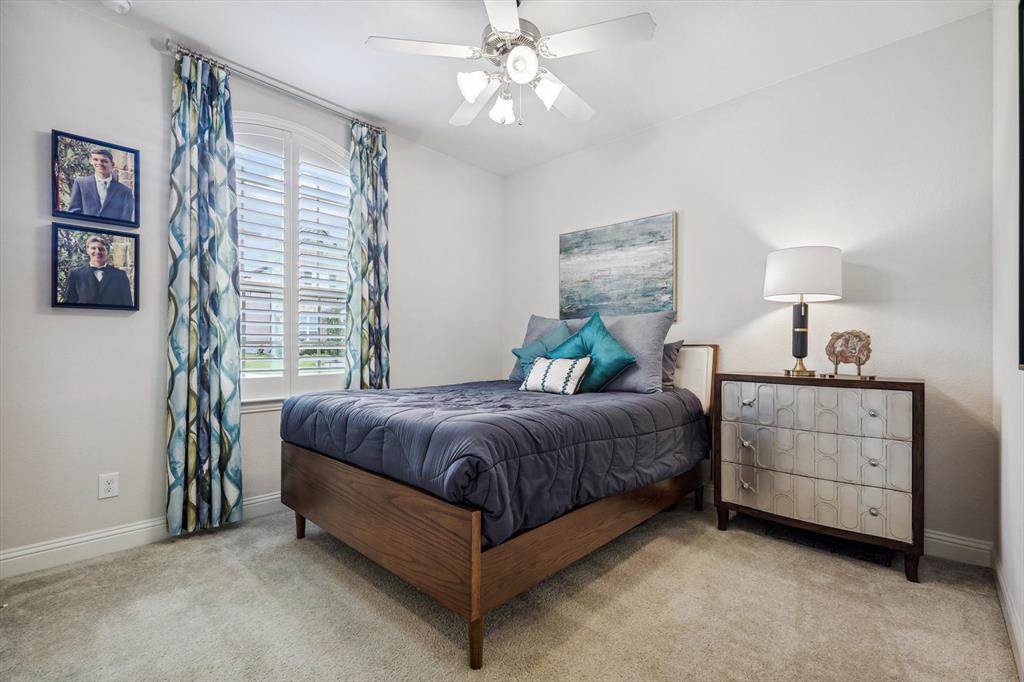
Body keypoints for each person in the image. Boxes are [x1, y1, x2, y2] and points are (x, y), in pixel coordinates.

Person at [67, 148, 134, 222]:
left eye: (104, 161)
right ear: (91, 161)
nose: (99, 163)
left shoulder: (125, 191)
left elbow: (126, 220)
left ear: (112, 164)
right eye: (95, 160)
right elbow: (74, 212)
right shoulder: (80, 183)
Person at [64, 236, 134, 307]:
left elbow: (128, 304)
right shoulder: (75, 274)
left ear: (107, 251)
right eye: (93, 248)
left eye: (101, 249)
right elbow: (68, 304)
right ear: (87, 250)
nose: (97, 252)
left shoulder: (120, 275)